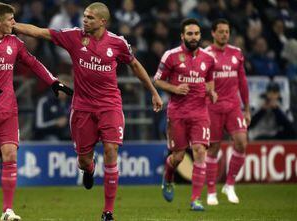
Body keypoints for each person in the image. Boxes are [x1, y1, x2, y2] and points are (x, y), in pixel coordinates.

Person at [13, 2, 163, 220]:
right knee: (84, 159)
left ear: (103, 21)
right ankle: (89, 169)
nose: (85, 20)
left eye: (90, 18)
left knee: (111, 150)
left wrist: (153, 92)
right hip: (82, 107)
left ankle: (108, 211)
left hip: (110, 105)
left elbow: (136, 66)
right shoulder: (74, 37)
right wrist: (14, 26)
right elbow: (42, 33)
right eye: (84, 16)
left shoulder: (118, 43)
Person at [0, 2, 73, 221]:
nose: (15, 23)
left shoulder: (15, 42)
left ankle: (7, 211)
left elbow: (33, 63)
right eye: (11, 20)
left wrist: (53, 82)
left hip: (8, 111)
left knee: (10, 155)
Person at [154, 18, 218, 211]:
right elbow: (158, 80)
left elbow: (209, 81)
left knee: (200, 151)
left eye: (196, 34)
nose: (193, 37)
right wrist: (174, 88)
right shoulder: (170, 56)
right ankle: (168, 177)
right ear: (182, 36)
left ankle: (196, 199)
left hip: (200, 112)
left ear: (200, 35)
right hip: (178, 113)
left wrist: (211, 91)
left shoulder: (208, 59)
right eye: (189, 34)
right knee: (178, 157)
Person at [204, 19, 250, 206]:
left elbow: (243, 82)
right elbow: (200, 81)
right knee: (213, 149)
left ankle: (229, 184)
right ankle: (212, 191)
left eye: (227, 31)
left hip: (233, 107)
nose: (224, 34)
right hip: (212, 108)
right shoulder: (205, 55)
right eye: (221, 31)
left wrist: (246, 108)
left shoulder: (237, 53)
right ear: (213, 33)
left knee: (241, 143)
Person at [35, 74, 72, 141]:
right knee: (54, 140)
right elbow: (39, 125)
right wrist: (56, 123)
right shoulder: (45, 101)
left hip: (68, 135)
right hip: (47, 135)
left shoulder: (72, 102)